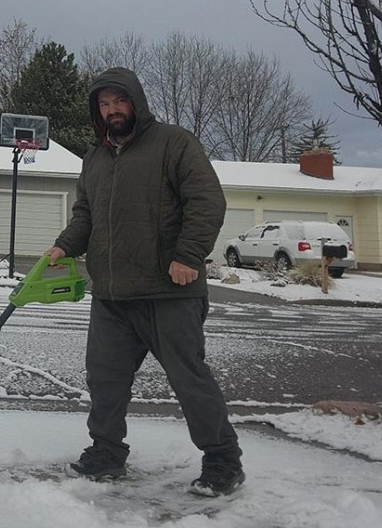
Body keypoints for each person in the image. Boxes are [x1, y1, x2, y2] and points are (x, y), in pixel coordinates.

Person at [42, 67, 244, 497]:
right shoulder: (95, 157)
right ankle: (106, 453)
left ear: (136, 101)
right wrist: (62, 247)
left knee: (189, 379)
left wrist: (188, 255)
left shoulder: (174, 143)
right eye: (104, 104)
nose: (113, 110)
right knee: (104, 378)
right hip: (112, 295)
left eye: (120, 101)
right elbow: (86, 215)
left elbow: (207, 200)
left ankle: (223, 461)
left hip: (168, 291)